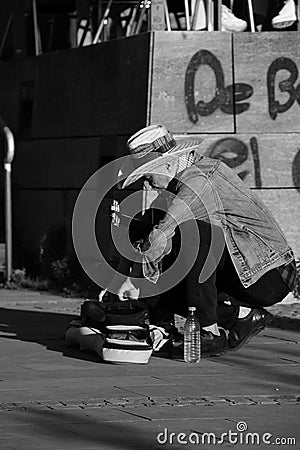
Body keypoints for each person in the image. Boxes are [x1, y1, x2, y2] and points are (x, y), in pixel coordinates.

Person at [101, 124, 296, 358]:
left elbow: (162, 233)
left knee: (196, 231)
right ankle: (239, 316)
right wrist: (126, 281)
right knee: (145, 235)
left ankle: (209, 332)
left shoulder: (200, 179)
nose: (146, 184)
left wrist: (131, 277)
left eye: (147, 176)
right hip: (238, 271)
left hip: (268, 275)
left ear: (167, 164)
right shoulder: (177, 180)